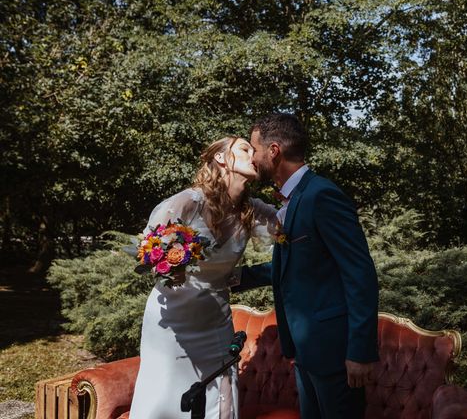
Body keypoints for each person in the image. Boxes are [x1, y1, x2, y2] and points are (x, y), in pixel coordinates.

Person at [235, 113, 379, 419]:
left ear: (273, 151)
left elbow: (359, 274)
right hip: (305, 351)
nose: (253, 158)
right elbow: (290, 265)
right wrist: (230, 278)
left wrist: (360, 352)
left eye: (254, 149)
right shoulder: (294, 200)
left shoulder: (321, 195)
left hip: (334, 353)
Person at [129, 136, 277, 419]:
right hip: (170, 321)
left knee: (216, 393)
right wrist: (170, 263)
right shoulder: (188, 202)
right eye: (244, 149)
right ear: (221, 158)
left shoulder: (252, 210)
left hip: (214, 321)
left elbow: (294, 227)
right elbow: (148, 251)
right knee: (163, 393)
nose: (253, 154)